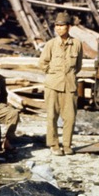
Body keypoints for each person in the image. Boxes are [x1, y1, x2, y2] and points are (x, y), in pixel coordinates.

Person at [38, 12, 83, 156]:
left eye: (62, 25)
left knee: (69, 117)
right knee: (52, 116)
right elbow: (42, 63)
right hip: (53, 85)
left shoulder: (76, 44)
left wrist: (67, 76)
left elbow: (78, 66)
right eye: (57, 25)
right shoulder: (51, 44)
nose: (59, 28)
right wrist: (54, 74)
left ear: (68, 27)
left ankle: (67, 145)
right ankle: (54, 144)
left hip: (69, 86)